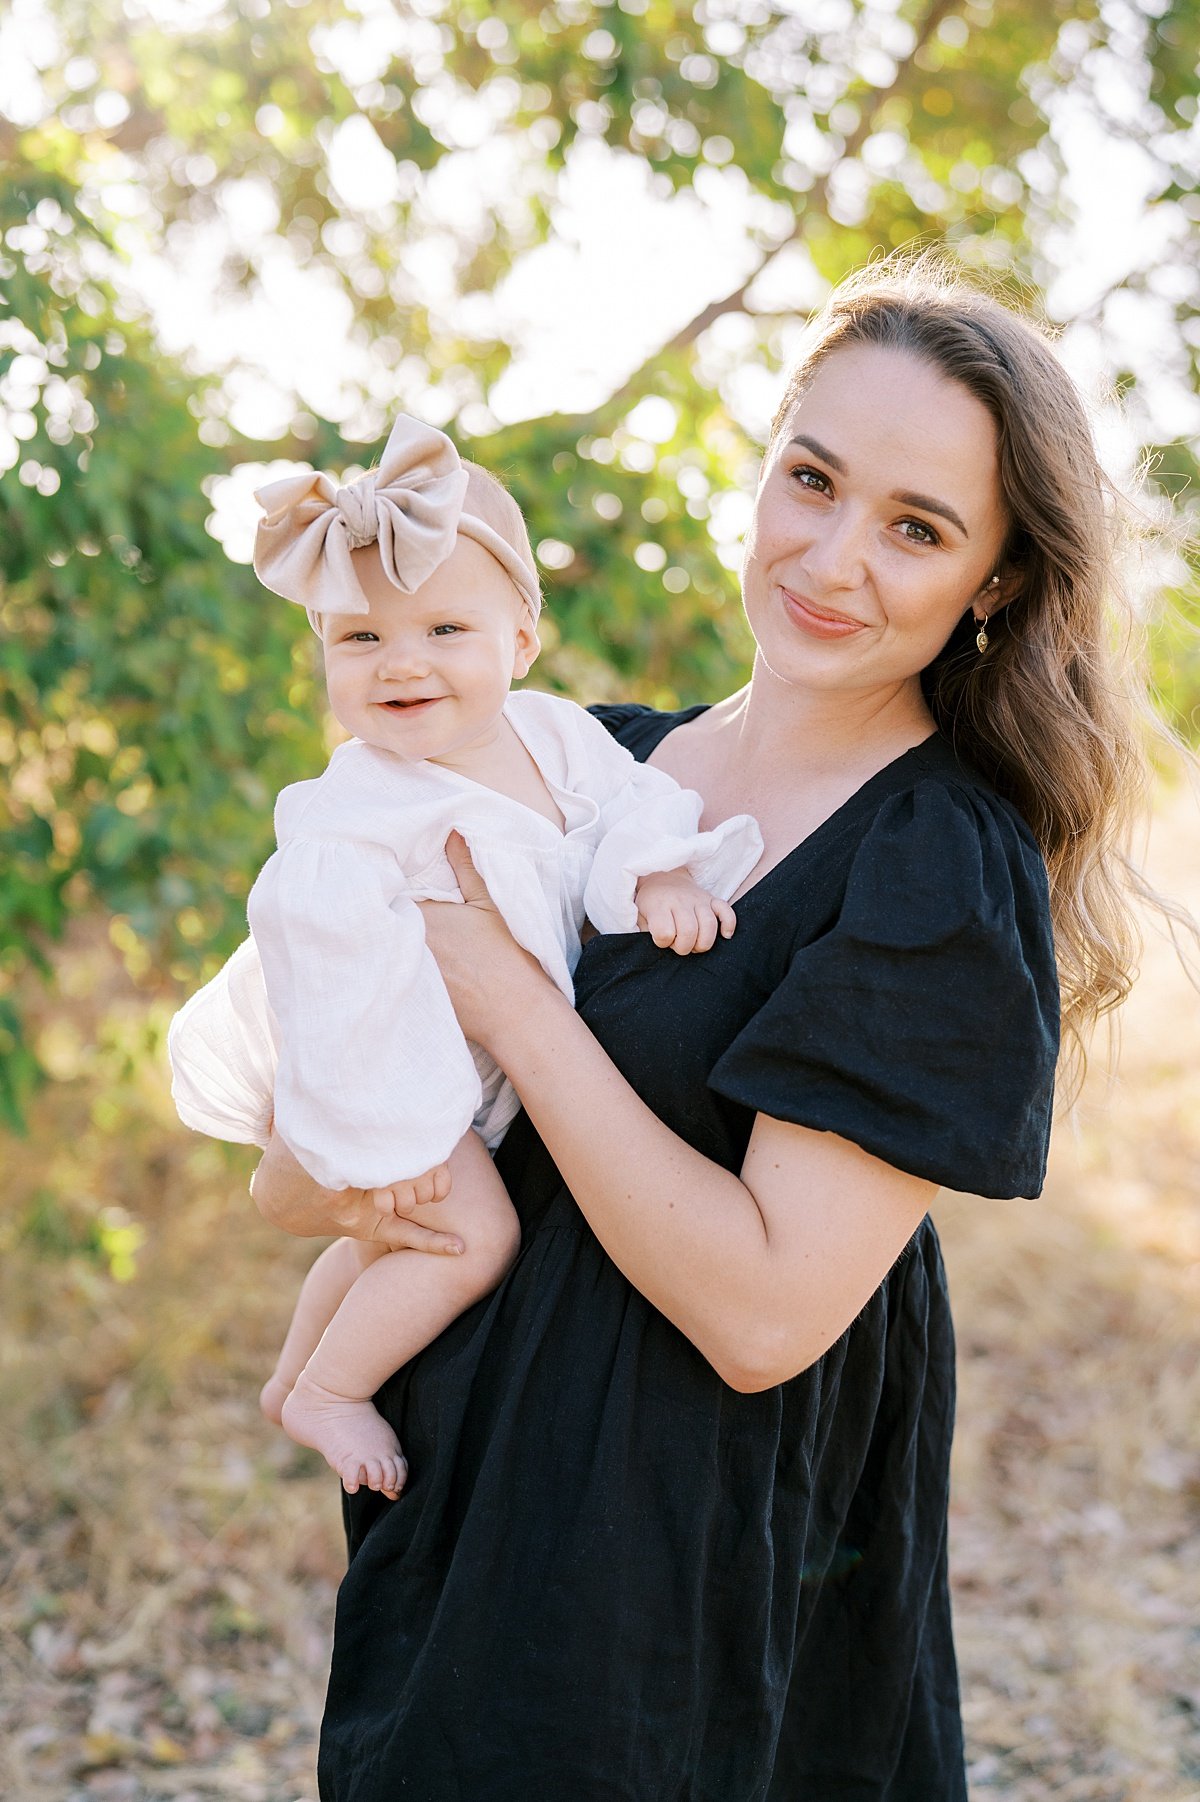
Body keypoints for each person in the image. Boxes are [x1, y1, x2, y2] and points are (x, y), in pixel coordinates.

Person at [250, 258, 1169, 1800]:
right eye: (811, 478)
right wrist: (330, 1157)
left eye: (917, 526)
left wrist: (510, 1000)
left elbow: (761, 1316)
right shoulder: (589, 768)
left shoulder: (935, 858)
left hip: (687, 1568)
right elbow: (304, 1156)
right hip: (469, 1504)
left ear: (995, 582)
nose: (829, 555)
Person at [167, 414, 761, 1503]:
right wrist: (373, 1124)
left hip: (485, 1057)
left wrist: (661, 877)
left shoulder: (563, 740)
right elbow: (325, 962)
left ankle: (298, 1373)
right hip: (392, 1065)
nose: (402, 662)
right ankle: (332, 1387)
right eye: (359, 638)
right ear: (323, 653)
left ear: (521, 640)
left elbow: (634, 806)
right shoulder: (356, 805)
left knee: (395, 1244)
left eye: (445, 628)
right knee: (468, 1234)